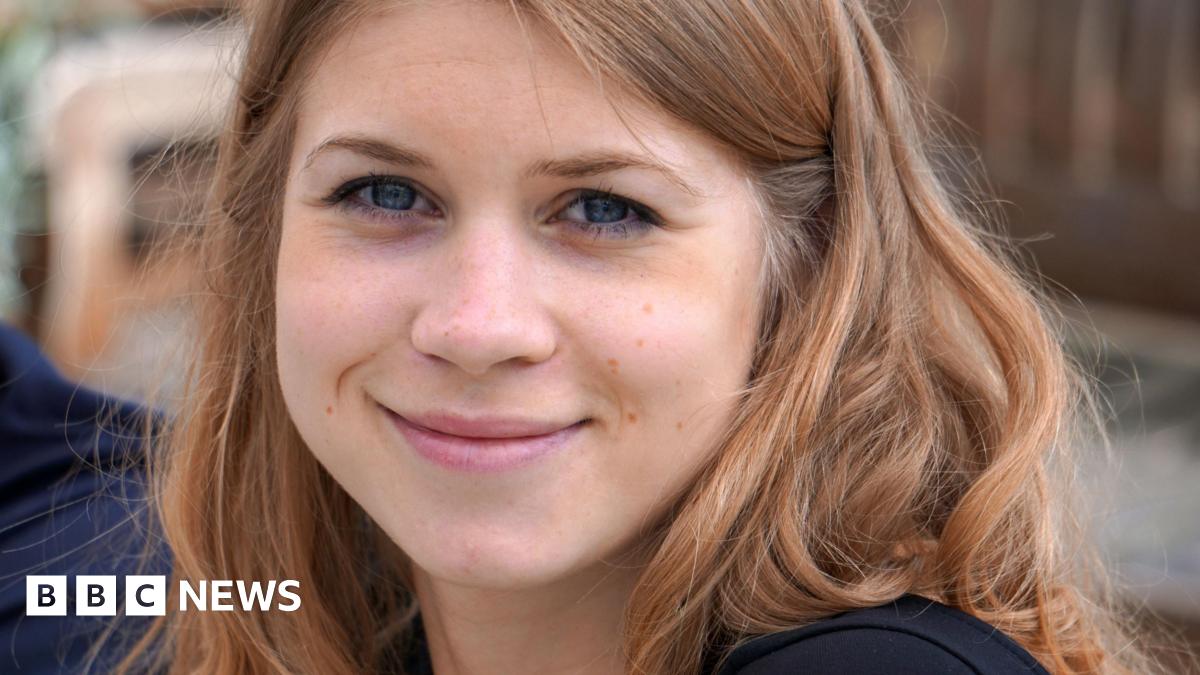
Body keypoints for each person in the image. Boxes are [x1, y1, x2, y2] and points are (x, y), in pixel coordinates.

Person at [32, 0, 1160, 672]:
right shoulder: (230, 591)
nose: (476, 326)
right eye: (385, 194)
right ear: (263, 230)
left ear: (807, 266)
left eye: (606, 210)